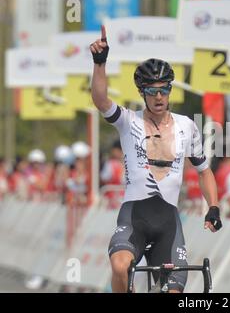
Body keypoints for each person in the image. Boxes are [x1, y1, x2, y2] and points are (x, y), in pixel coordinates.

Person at [89, 26, 222, 293]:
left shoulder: (187, 126)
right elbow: (101, 100)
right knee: (120, 266)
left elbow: (204, 171)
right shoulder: (129, 121)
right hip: (134, 216)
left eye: (164, 89)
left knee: (172, 291)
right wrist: (100, 63)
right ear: (142, 93)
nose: (159, 96)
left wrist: (214, 206)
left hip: (168, 222)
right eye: (152, 91)